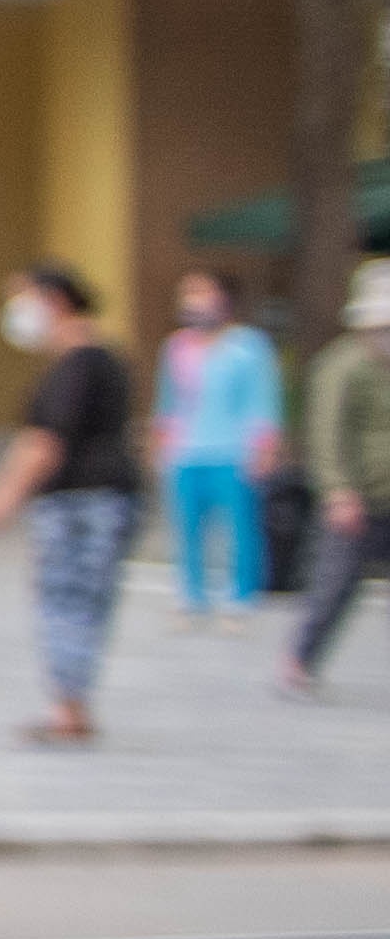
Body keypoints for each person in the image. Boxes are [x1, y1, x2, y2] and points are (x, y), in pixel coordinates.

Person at [0, 263, 144, 744]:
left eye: (23, 298)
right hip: (110, 497)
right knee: (88, 603)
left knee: (65, 600)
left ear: (55, 300)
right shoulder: (106, 358)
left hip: (78, 503)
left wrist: (4, 495)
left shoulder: (76, 366)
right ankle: (73, 704)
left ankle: (68, 709)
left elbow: (46, 441)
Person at [158, 268, 287, 611]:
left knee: (241, 529)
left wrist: (265, 446)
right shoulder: (177, 347)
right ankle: (192, 593)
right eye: (188, 293)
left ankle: (242, 593)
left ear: (224, 298)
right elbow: (168, 402)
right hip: (186, 451)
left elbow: (263, 400)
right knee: (188, 528)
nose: (193, 301)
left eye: (201, 292)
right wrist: (163, 443)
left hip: (233, 451)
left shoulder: (248, 346)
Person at [290, 258, 390, 694]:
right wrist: (337, 491)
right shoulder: (342, 365)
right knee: (336, 585)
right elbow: (326, 434)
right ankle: (300, 659)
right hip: (358, 497)